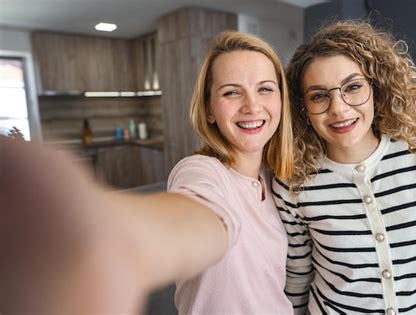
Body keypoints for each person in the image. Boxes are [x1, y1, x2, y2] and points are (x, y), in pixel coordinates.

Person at [1, 30, 294, 314]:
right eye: (231, 92)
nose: (252, 105)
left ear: (280, 100)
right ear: (208, 110)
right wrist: (94, 237)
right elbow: (202, 220)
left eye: (265, 89)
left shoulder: (277, 181)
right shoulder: (201, 171)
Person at [272, 20, 416, 315]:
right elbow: (298, 277)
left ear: (377, 88)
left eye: (353, 87)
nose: (338, 108)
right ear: (302, 107)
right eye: (318, 96)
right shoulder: (294, 182)